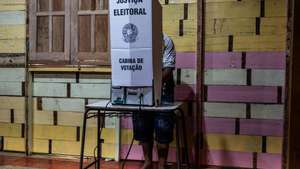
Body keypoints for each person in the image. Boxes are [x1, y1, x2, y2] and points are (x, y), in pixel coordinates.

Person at [132, 33, 176, 169]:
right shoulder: (136, 38)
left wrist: (151, 83)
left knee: (162, 127)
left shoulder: (165, 40)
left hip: (163, 88)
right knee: (142, 126)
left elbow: (168, 69)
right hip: (142, 88)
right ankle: (148, 162)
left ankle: (162, 164)